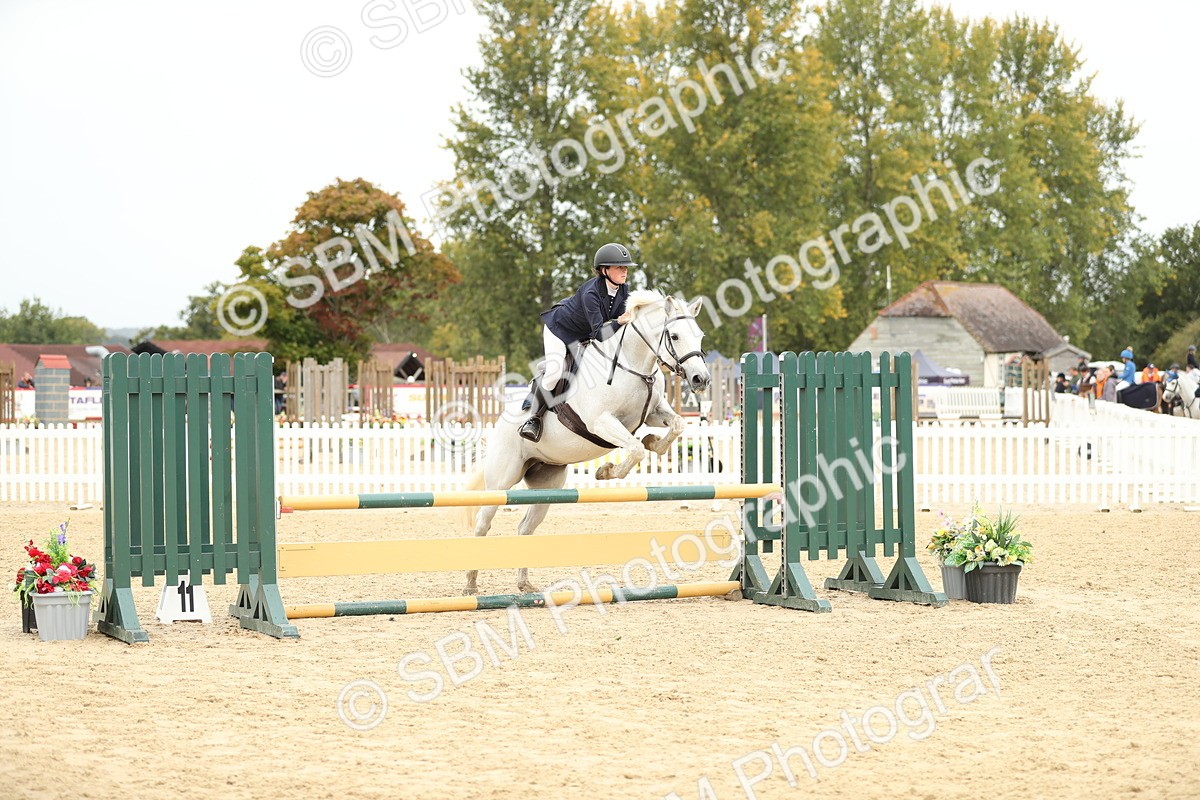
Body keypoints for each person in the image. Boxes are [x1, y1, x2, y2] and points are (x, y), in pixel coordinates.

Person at [518, 242, 636, 442]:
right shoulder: (591, 293)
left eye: (625, 267)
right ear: (604, 270)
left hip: (583, 334)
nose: (624, 271)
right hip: (560, 330)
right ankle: (534, 419)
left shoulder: (624, 291)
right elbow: (600, 332)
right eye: (619, 267)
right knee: (556, 373)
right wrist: (618, 321)